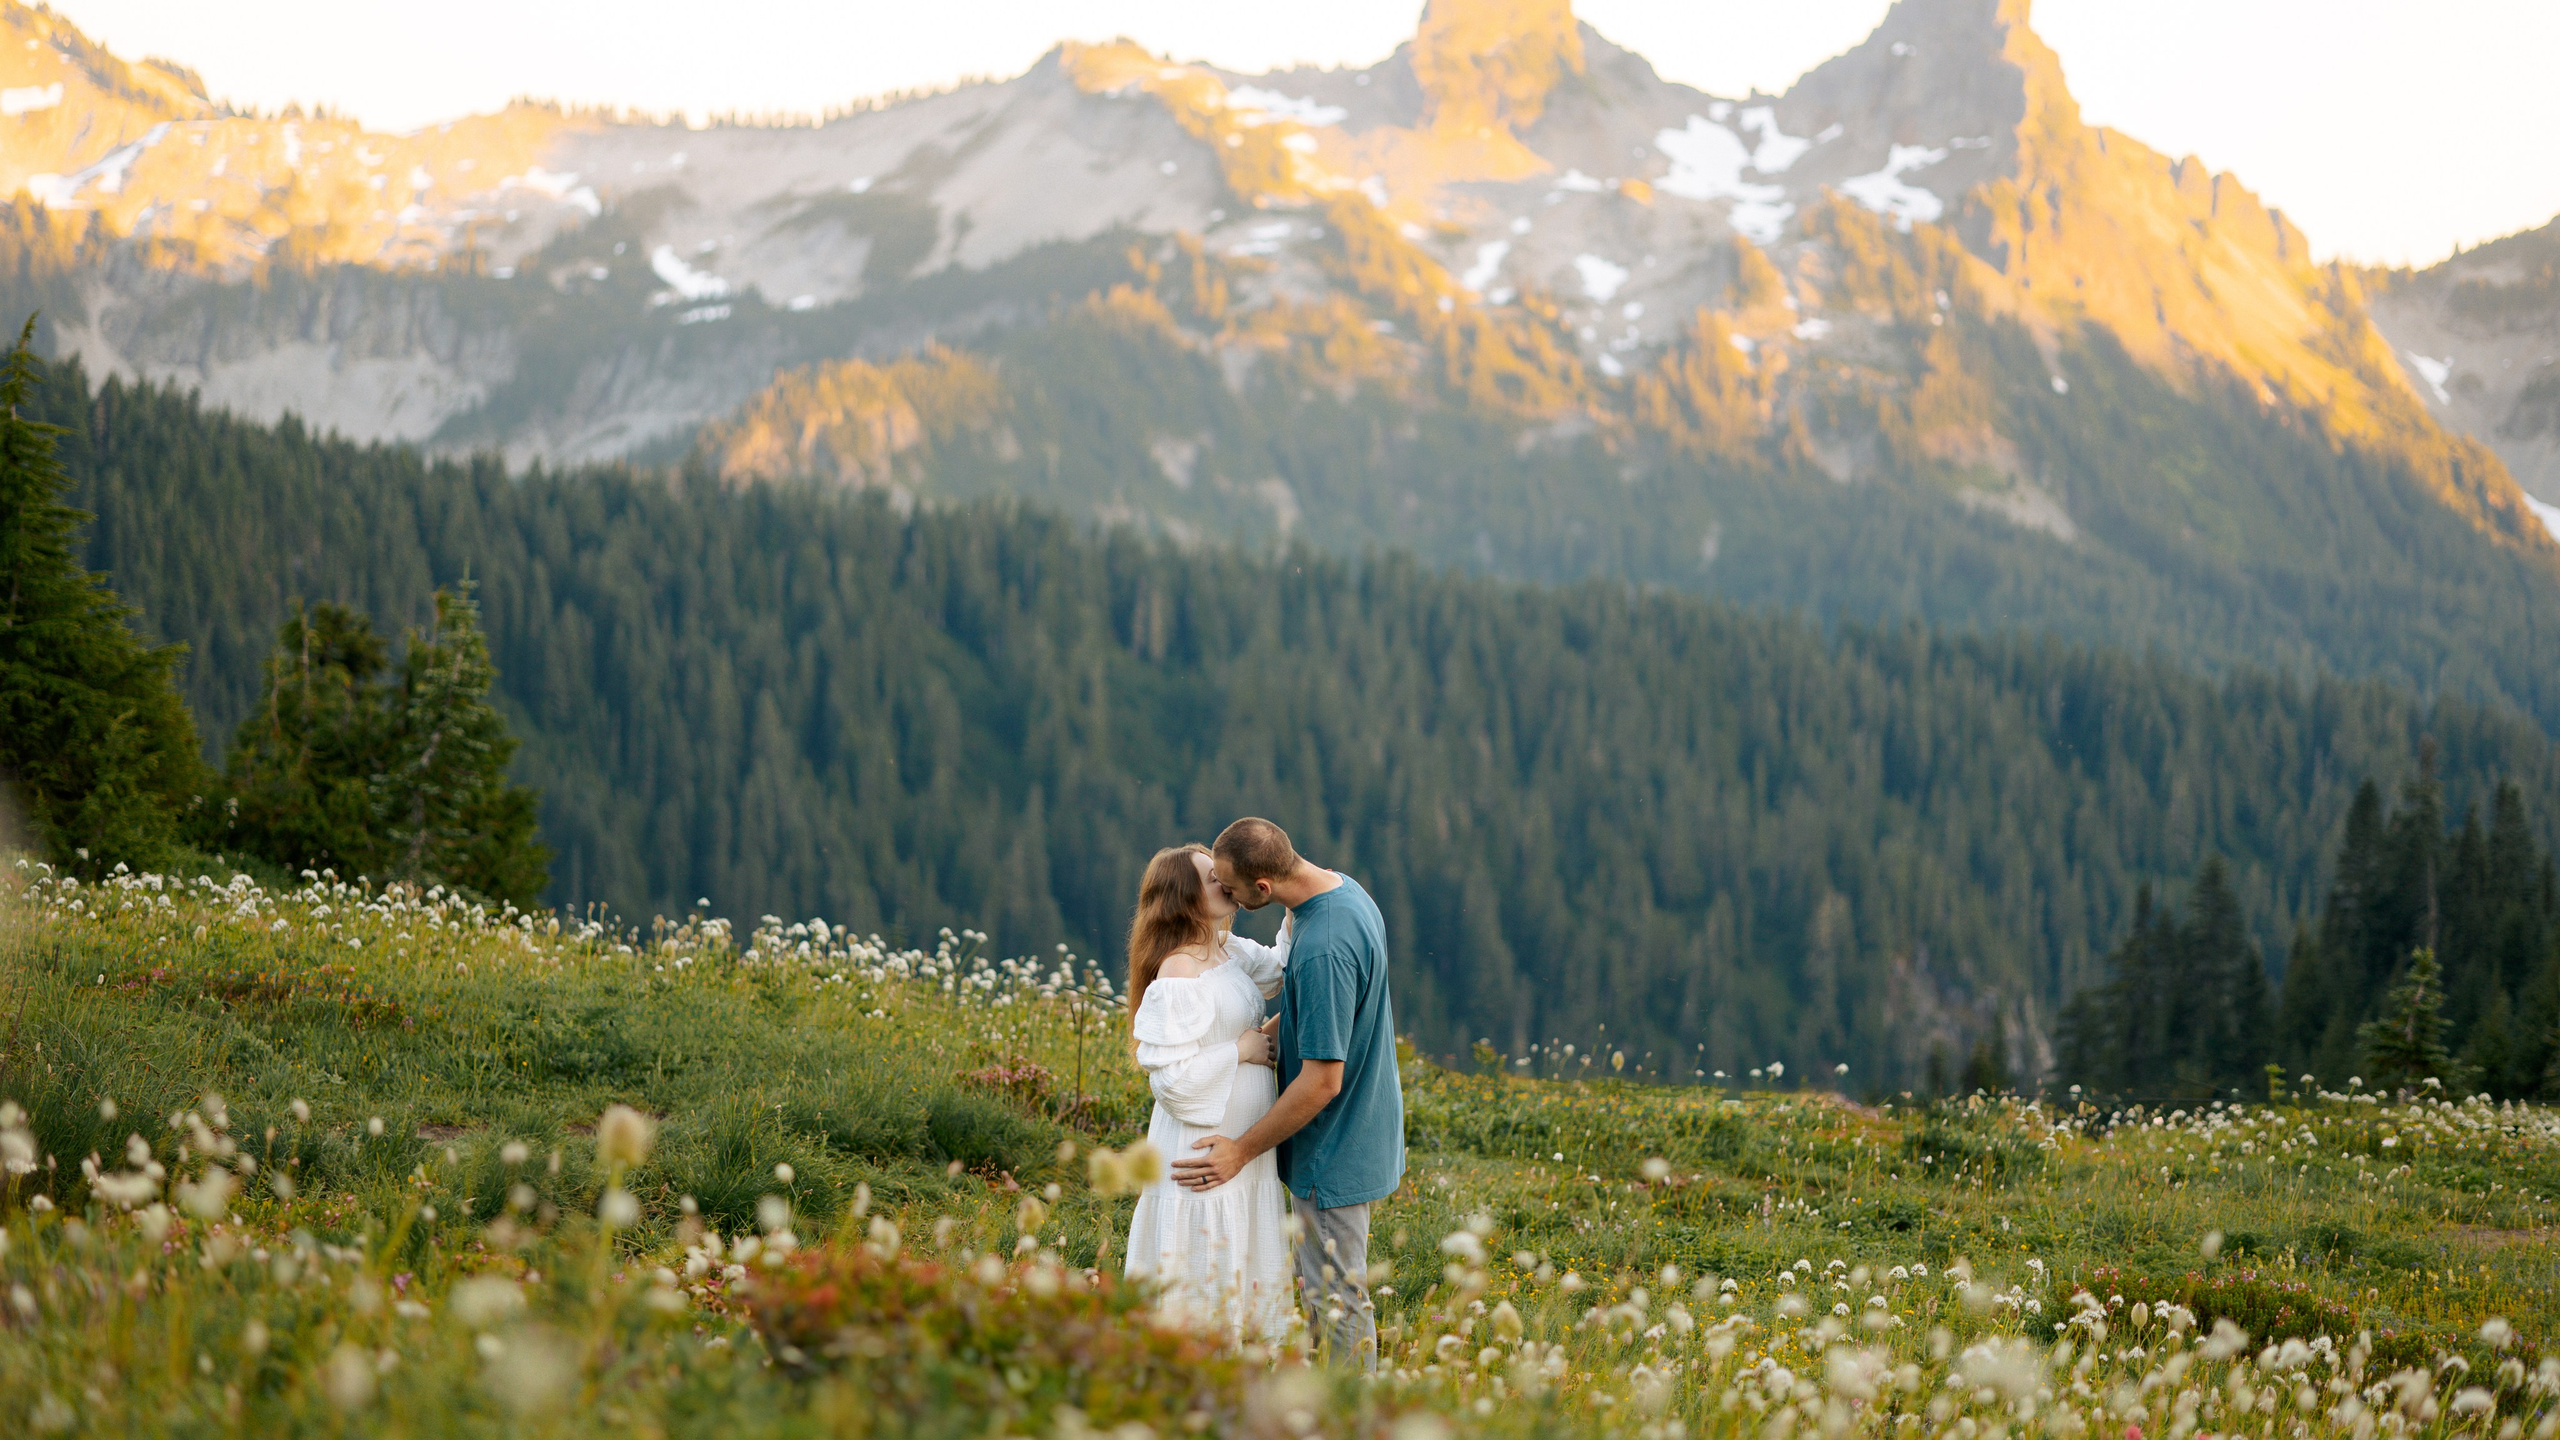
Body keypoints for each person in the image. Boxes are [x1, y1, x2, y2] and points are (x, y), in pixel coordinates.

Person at [1174, 817, 1403, 1369]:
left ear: (1262, 889)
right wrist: (1265, 1034)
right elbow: (1328, 1013)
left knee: (1338, 1299)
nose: (1222, 895)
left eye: (1228, 887)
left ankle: (1350, 1418)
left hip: (1333, 1146)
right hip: (1363, 1125)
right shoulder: (1341, 893)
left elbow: (1323, 1081)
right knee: (1331, 1293)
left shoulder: (1322, 944)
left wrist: (1240, 1150)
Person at [1121, 843, 1296, 1342]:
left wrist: (1292, 896)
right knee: (1202, 1257)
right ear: (1183, 896)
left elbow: (1283, 968)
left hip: (1242, 1145)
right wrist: (1241, 1050)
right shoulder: (1178, 972)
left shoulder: (1228, 950)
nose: (1224, 880)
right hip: (1202, 1141)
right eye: (1210, 877)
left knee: (1243, 1249)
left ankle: (1239, 1371)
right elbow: (1171, 1081)